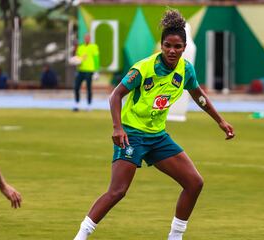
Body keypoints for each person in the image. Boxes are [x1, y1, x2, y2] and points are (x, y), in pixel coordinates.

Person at [73, 9, 235, 240]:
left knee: (194, 183)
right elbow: (115, 95)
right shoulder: (143, 68)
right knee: (118, 191)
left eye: (177, 46)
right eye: (167, 45)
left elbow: (199, 96)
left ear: (184, 47)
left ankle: (175, 237)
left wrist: (221, 120)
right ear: (161, 45)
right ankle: (81, 235)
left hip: (157, 137)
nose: (172, 50)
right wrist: (117, 127)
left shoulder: (186, 69)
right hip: (132, 134)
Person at [73, 33, 100, 111]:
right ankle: (77, 104)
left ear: (90, 39)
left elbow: (96, 59)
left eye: (88, 38)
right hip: (81, 70)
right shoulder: (80, 47)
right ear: (84, 38)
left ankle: (89, 105)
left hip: (89, 70)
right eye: (86, 38)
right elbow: (78, 58)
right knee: (76, 87)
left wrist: (96, 71)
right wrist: (76, 61)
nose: (87, 39)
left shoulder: (94, 47)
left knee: (88, 88)